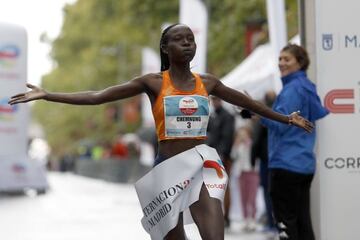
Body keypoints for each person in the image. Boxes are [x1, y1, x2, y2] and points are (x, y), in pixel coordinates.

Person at [8, 24, 313, 240]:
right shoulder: (152, 82)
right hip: (166, 170)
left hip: (201, 166)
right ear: (166, 49)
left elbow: (249, 103)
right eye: (180, 40)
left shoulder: (208, 82)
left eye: (191, 39)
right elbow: (97, 95)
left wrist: (287, 118)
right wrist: (49, 95)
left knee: (214, 234)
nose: (187, 44)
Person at [261, 44, 329, 240]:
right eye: (280, 59)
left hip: (285, 163)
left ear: (300, 63)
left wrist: (257, 111)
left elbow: (281, 123)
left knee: (286, 226)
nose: (281, 63)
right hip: (303, 164)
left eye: (287, 59)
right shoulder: (307, 87)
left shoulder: (292, 90)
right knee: (302, 224)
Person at [206, 96, 235, 227]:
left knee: (224, 187)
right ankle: (215, 216)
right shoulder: (212, 116)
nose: (214, 102)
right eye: (213, 100)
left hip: (223, 157)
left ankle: (226, 216)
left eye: (216, 99)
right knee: (212, 187)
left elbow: (227, 137)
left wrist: (221, 155)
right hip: (211, 156)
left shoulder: (227, 116)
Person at [250, 90, 277, 233]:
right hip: (277, 158)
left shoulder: (264, 116)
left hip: (266, 160)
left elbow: (257, 139)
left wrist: (252, 159)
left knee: (268, 192)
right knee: (275, 192)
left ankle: (272, 224)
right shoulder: (279, 113)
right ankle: (275, 223)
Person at [231, 125, 259, 232]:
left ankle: (253, 219)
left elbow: (253, 154)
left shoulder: (251, 143)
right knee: (243, 198)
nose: (242, 136)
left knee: (252, 197)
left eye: (244, 134)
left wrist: (247, 142)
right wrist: (236, 145)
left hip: (252, 172)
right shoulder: (238, 145)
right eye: (240, 134)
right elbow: (233, 156)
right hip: (241, 173)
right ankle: (245, 219)